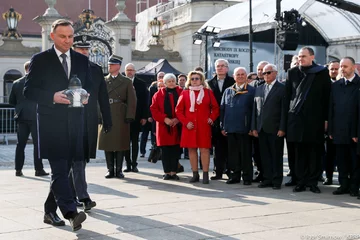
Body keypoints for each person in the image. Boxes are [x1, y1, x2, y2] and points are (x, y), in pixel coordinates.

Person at [24, 19, 90, 231]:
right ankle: (71, 213)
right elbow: (29, 91)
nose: (67, 41)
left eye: (71, 37)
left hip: (75, 122)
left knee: (66, 168)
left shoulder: (81, 59)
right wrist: (51, 96)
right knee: (59, 168)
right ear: (52, 36)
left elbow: (87, 85)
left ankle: (49, 211)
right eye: (63, 36)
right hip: (51, 123)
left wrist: (86, 96)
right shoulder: (40, 60)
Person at [70, 35, 112, 211]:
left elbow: (102, 95)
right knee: (77, 158)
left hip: (90, 120)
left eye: (87, 49)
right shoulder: (68, 68)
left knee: (83, 157)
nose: (85, 52)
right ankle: (83, 196)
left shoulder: (95, 69)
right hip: (70, 119)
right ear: (74, 50)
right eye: (81, 49)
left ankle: (72, 193)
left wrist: (107, 120)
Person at [285, 46, 331, 194]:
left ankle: (313, 182)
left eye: (303, 56)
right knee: (299, 153)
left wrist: (326, 119)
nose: (300, 59)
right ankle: (300, 182)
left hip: (315, 120)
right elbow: (288, 96)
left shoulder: (322, 72)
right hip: (297, 120)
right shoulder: (292, 72)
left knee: (314, 152)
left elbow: (327, 97)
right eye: (299, 56)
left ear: (312, 57)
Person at [176, 71, 219, 184]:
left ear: (202, 80)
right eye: (193, 78)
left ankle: (205, 174)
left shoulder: (208, 92)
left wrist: (211, 118)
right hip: (190, 126)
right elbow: (178, 110)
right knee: (191, 150)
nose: (195, 80)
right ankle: (195, 174)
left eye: (197, 78)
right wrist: (185, 122)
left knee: (204, 149)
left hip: (204, 126)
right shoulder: (184, 93)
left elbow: (215, 108)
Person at [98, 55, 137, 179]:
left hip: (120, 114)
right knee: (107, 142)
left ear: (119, 66)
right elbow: (98, 99)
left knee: (120, 143)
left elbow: (132, 100)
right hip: (106, 113)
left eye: (112, 64)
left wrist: (130, 115)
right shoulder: (103, 80)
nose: (110, 66)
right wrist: (99, 115)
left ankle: (119, 170)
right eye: (109, 64)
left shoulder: (126, 82)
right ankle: (110, 169)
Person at [9, 61, 49, 177]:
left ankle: (18, 169)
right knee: (38, 144)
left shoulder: (16, 83)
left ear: (25, 69)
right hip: (36, 116)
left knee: (20, 144)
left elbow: (11, 101)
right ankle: (38, 169)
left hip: (21, 116)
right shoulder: (39, 83)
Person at [329, 57, 360, 197]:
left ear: (353, 67)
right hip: (339, 130)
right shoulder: (336, 85)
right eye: (341, 66)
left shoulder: (359, 84)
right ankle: (343, 185)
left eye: (345, 66)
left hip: (354, 131)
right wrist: (330, 129)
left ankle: (354, 186)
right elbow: (331, 109)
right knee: (341, 160)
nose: (342, 69)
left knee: (354, 161)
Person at [251, 64, 286, 189]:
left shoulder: (282, 88)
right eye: (264, 73)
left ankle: (277, 181)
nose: (265, 75)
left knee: (276, 156)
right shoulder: (259, 88)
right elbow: (255, 109)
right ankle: (267, 179)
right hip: (261, 128)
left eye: (268, 72)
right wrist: (254, 127)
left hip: (275, 129)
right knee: (264, 156)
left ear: (275, 73)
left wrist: (282, 128)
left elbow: (283, 110)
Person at [220, 67, 255, 185]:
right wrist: (222, 126)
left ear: (246, 76)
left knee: (245, 154)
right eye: (238, 74)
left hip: (244, 129)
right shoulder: (228, 91)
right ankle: (234, 176)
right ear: (234, 77)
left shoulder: (251, 91)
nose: (240, 76)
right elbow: (223, 109)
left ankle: (247, 177)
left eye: (242, 74)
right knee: (233, 155)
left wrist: (251, 127)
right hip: (230, 128)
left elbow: (254, 111)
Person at [150, 73, 183, 180]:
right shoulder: (158, 94)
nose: (171, 83)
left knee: (175, 150)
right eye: (169, 81)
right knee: (165, 151)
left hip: (177, 126)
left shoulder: (181, 92)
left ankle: (174, 172)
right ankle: (167, 172)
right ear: (164, 83)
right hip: (163, 126)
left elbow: (185, 107)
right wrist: (165, 119)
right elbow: (154, 110)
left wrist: (177, 119)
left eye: (173, 81)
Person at [206, 59, 234, 180]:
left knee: (230, 147)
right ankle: (218, 171)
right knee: (217, 148)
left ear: (227, 68)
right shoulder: (209, 83)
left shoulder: (233, 81)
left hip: (230, 118)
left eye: (223, 66)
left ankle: (230, 170)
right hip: (215, 120)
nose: (220, 68)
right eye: (218, 66)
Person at [124, 63, 149, 173]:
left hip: (137, 117)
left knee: (134, 142)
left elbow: (145, 102)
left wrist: (144, 116)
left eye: (131, 70)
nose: (130, 72)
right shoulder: (121, 82)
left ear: (135, 71)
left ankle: (134, 164)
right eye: (128, 70)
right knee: (125, 142)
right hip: (123, 117)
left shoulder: (141, 84)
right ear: (125, 71)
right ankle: (127, 164)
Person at [249, 61, 268, 183]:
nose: (260, 72)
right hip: (255, 123)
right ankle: (260, 172)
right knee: (256, 152)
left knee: (266, 152)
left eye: (263, 69)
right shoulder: (252, 85)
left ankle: (267, 173)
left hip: (267, 124)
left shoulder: (270, 84)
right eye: (258, 69)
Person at [322, 60, 340, 185]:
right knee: (329, 153)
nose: (334, 71)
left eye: (336, 69)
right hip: (328, 124)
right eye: (332, 69)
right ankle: (328, 176)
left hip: (342, 125)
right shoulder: (324, 84)